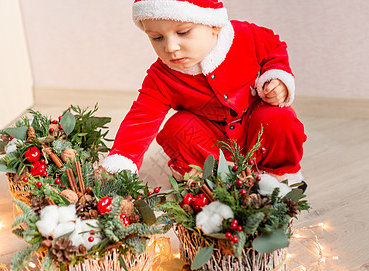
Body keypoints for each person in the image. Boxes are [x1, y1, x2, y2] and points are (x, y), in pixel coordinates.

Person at [101, 0, 307, 186]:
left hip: (255, 128)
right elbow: (142, 118)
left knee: (278, 117)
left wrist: (277, 78)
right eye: (157, 37)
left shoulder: (245, 36)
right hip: (211, 140)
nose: (170, 47)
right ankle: (212, 177)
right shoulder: (161, 76)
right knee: (177, 128)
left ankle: (277, 176)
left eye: (183, 32)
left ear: (214, 26)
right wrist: (122, 160)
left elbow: (273, 48)